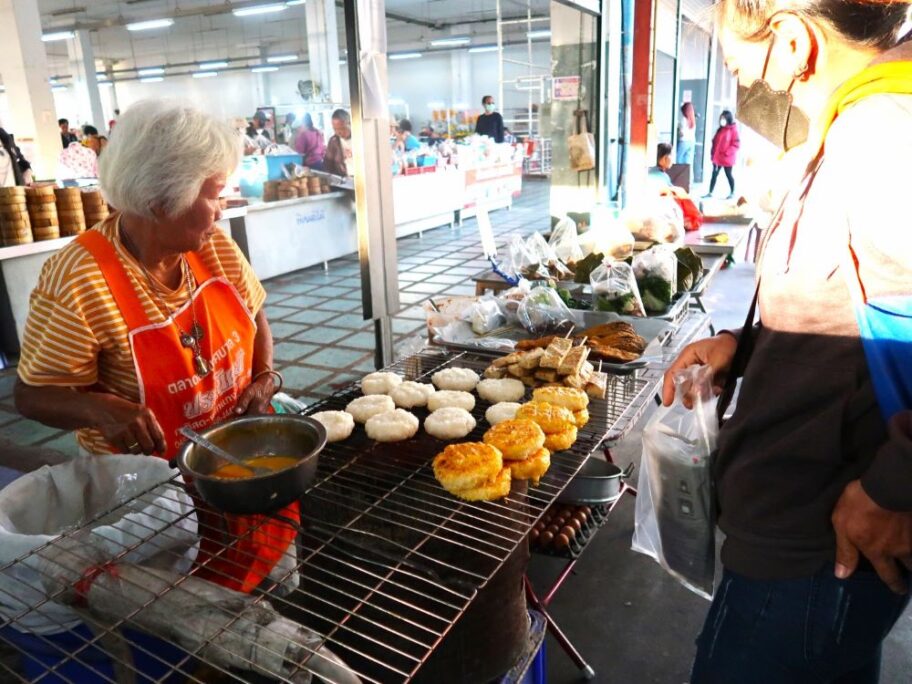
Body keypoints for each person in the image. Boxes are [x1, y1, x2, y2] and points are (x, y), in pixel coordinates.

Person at [663, 2, 912, 682]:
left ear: (795, 41)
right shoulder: (855, 126)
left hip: (821, 539)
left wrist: (894, 486)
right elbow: (855, 293)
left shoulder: (886, 134)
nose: (751, 86)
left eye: (742, 65)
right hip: (804, 529)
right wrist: (746, 347)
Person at [14, 99, 295, 593]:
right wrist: (105, 410)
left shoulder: (213, 246)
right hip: (158, 496)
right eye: (214, 194)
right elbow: (32, 396)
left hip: (245, 464)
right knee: (193, 612)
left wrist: (266, 374)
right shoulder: (79, 279)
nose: (223, 206)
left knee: (265, 577)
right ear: (164, 201)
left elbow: (255, 314)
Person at [706, 110, 739, 198]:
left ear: (728, 119)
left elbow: (736, 144)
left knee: (728, 175)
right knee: (714, 174)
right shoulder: (720, 129)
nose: (722, 120)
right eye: (721, 118)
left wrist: (727, 153)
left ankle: (732, 192)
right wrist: (713, 153)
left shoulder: (733, 130)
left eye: (723, 118)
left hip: (727, 158)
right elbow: (715, 142)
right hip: (717, 158)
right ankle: (710, 192)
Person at [323, 108, 353, 177]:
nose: (338, 132)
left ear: (349, 123)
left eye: (341, 128)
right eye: (335, 129)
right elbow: (328, 164)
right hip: (344, 182)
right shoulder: (333, 141)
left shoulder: (360, 138)